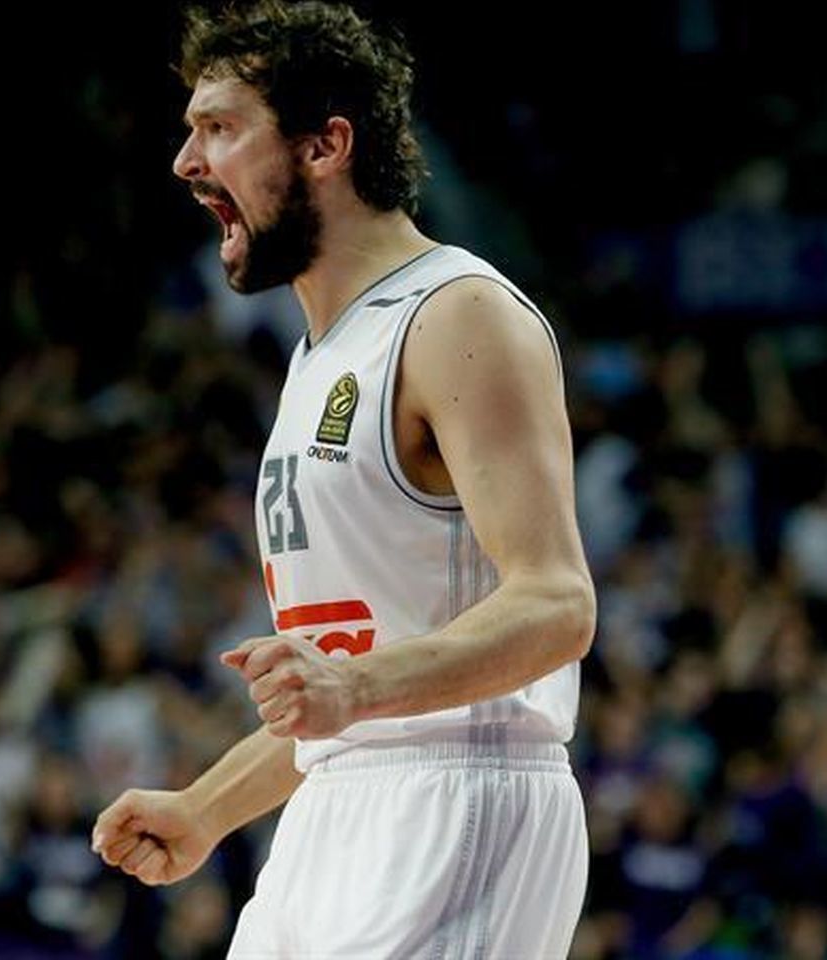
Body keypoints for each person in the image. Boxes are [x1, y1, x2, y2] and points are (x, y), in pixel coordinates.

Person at [91, 2, 596, 956]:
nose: (186, 162)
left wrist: (353, 691)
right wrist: (206, 808)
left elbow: (558, 605)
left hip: (462, 797)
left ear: (326, 146)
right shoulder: (319, 354)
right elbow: (345, 679)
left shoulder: (457, 315)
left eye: (220, 128)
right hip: (334, 807)